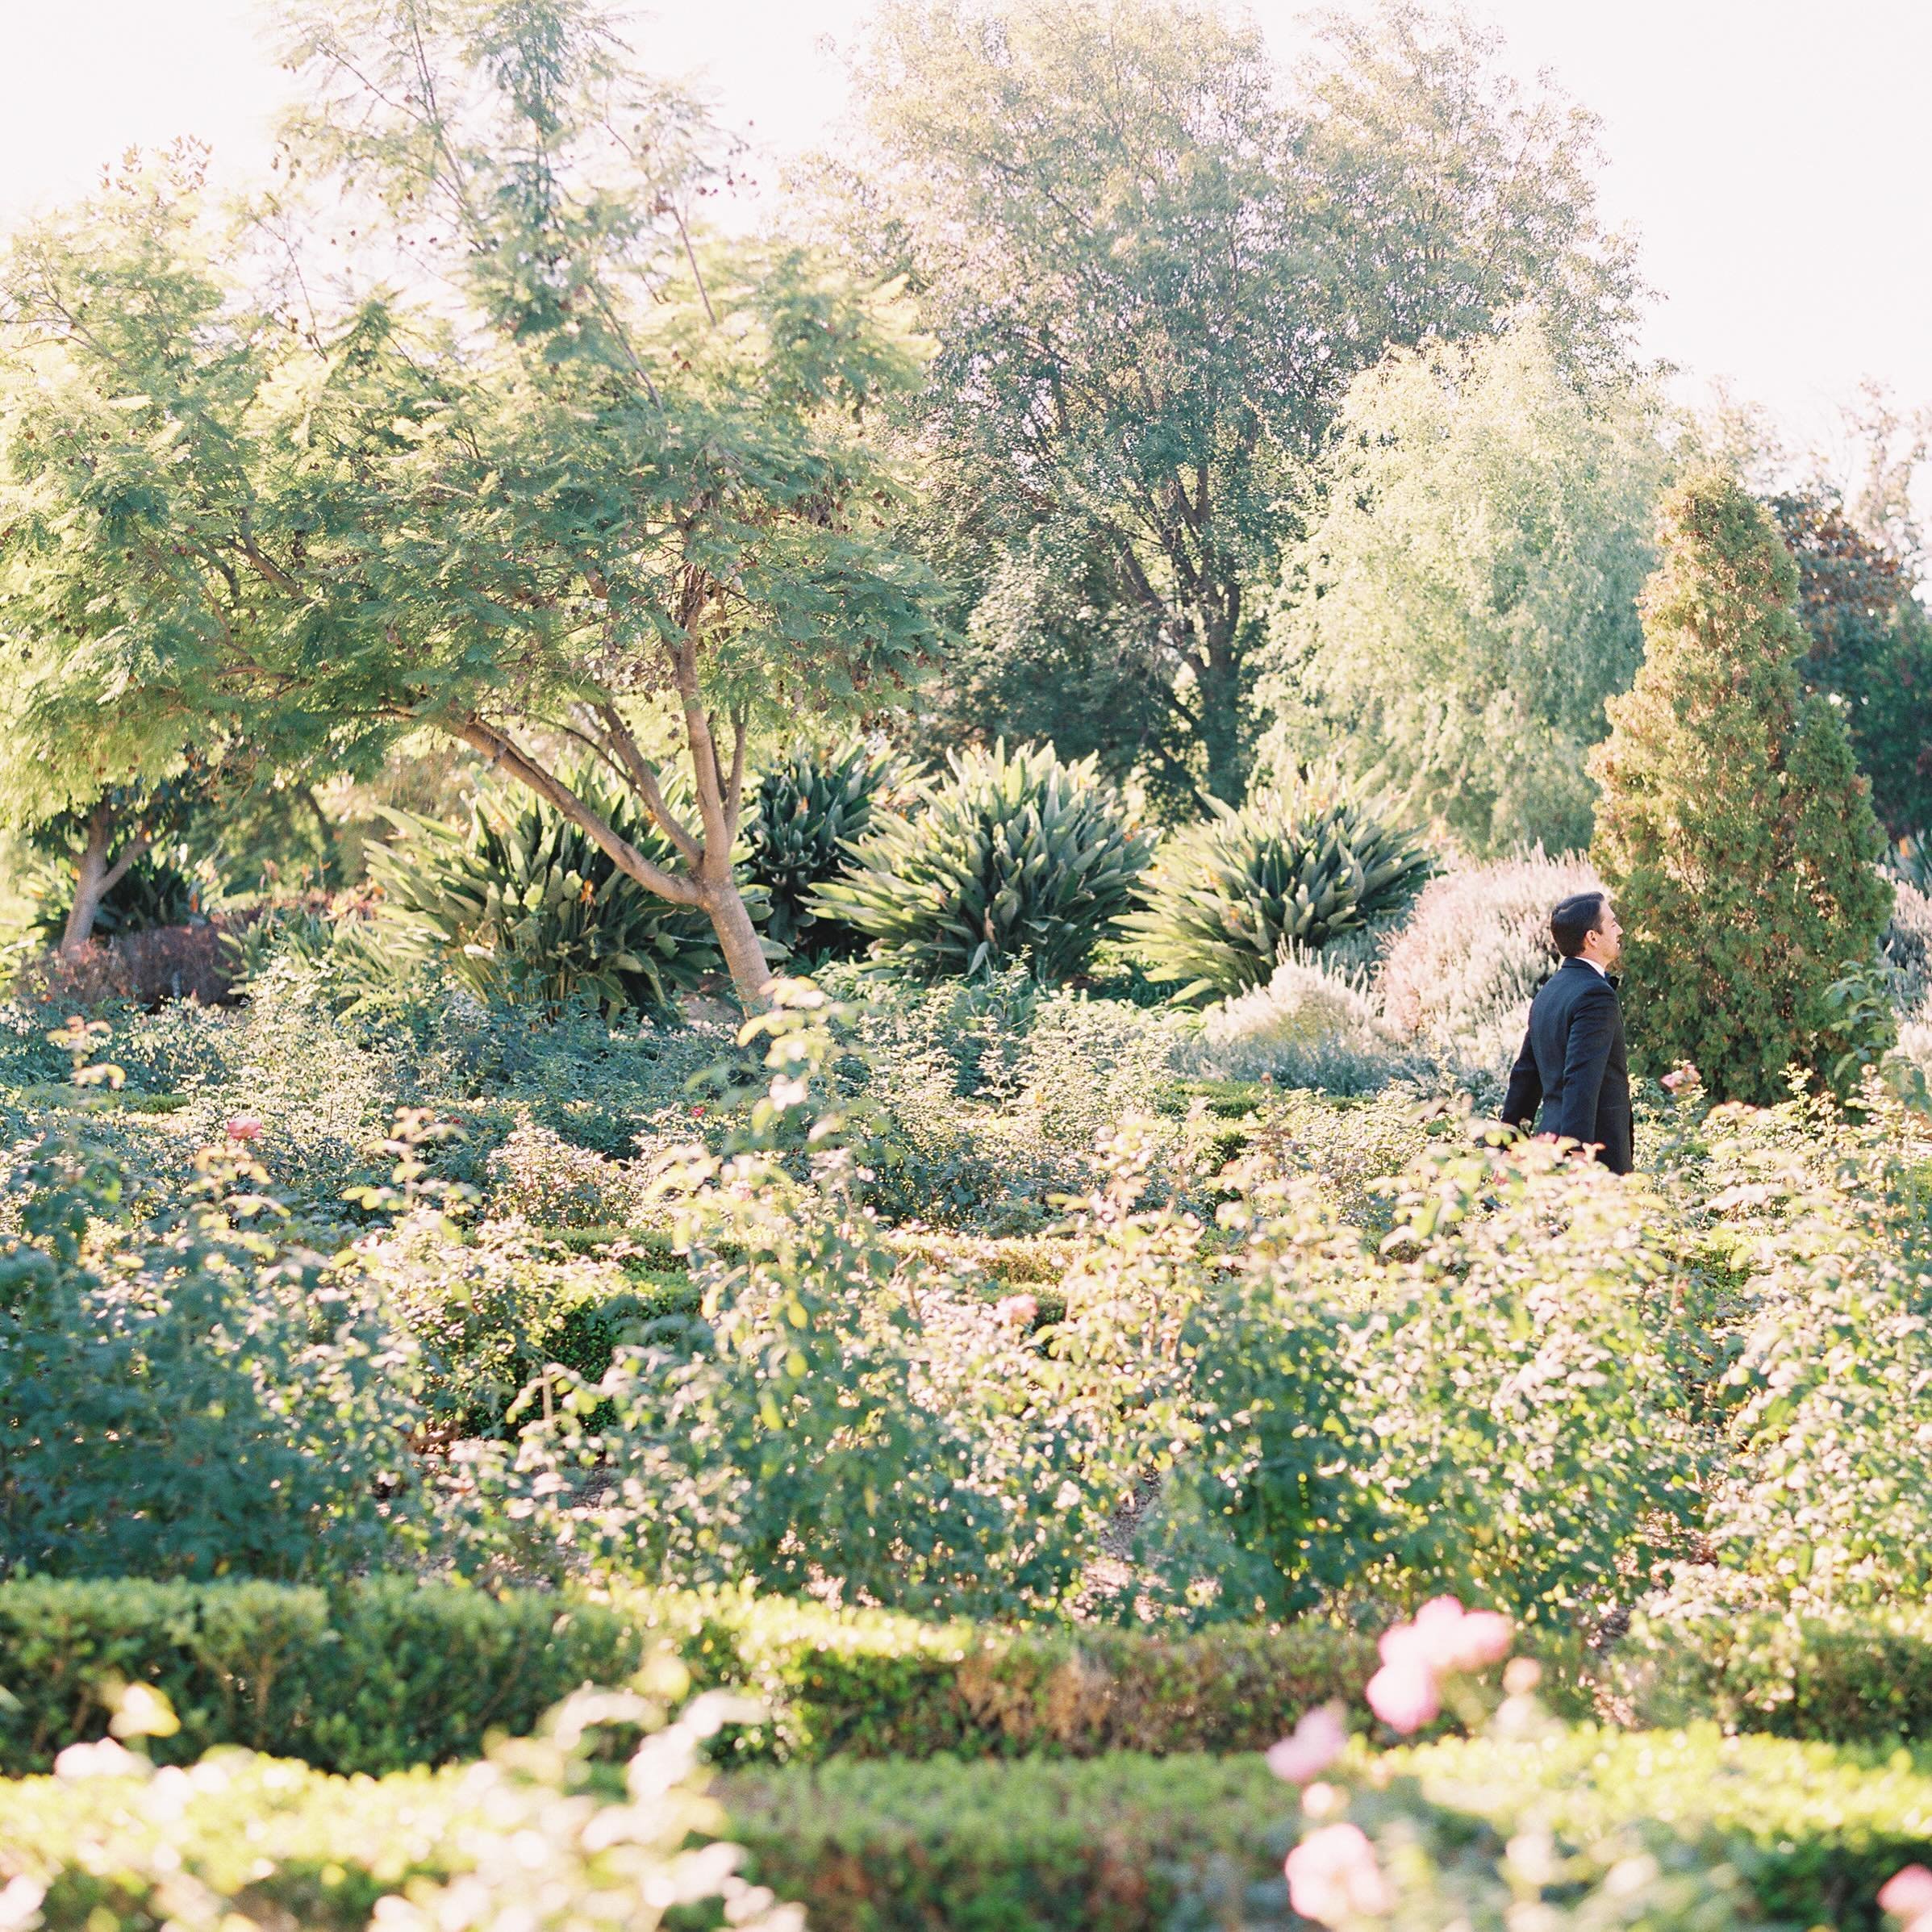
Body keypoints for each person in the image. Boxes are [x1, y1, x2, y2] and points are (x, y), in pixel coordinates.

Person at [1500, 891, 1632, 1175]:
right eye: (1612, 923)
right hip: (1593, 1158)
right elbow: (1580, 1078)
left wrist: (1505, 1146)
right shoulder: (1596, 994)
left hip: (1549, 1149)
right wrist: (1578, 1153)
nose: (1619, 930)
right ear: (1592, 938)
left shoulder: (1549, 992)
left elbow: (1525, 1074)